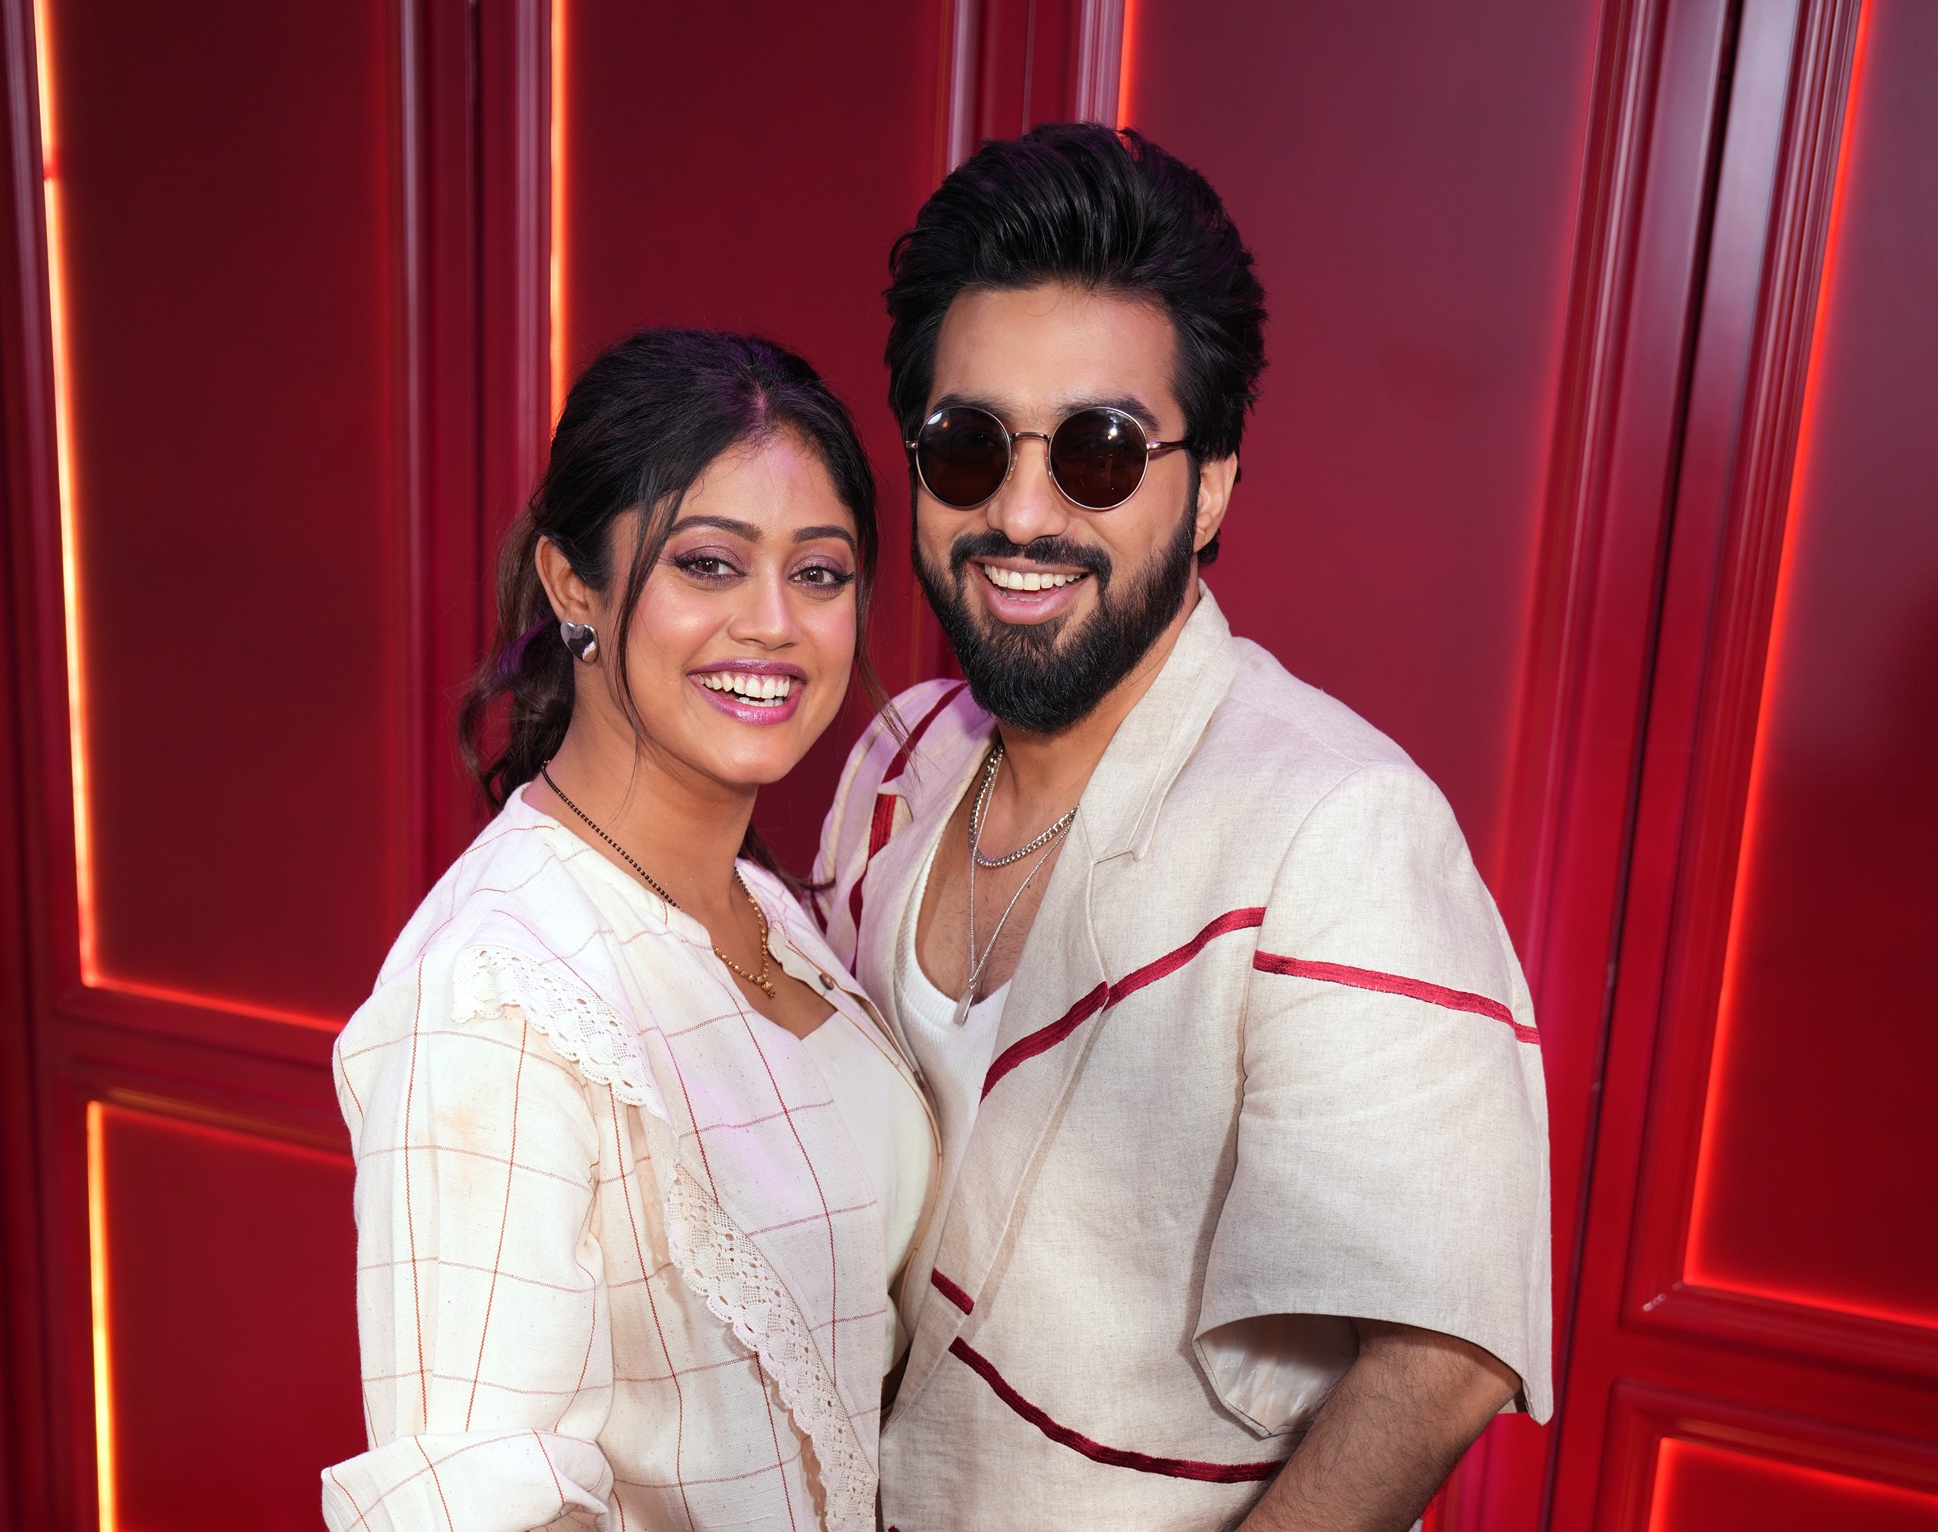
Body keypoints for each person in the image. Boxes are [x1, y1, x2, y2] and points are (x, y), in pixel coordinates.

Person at [813, 125, 1551, 1531]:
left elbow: (1443, 1354)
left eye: (1097, 452)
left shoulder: (1334, 824)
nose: (1018, 510)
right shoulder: (896, 756)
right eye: (968, 445)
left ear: (1207, 485)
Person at [323, 328, 936, 1532]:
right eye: (708, 563)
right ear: (572, 585)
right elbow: (482, 1508)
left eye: (819, 572)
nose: (774, 621)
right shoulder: (498, 994)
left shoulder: (765, 907)